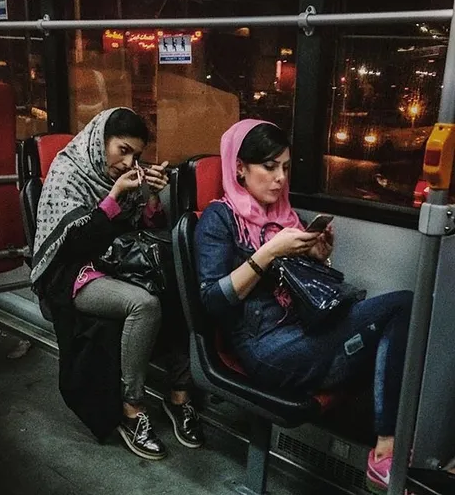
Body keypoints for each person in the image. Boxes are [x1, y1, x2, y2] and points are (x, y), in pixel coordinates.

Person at [194, 119, 413, 494]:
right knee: (400, 308)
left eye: (285, 167)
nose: (280, 178)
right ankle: (385, 451)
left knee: (400, 311)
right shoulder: (219, 219)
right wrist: (266, 254)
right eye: (268, 166)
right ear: (240, 168)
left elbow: (304, 290)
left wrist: (320, 257)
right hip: (264, 347)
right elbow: (212, 302)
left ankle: (391, 448)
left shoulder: (287, 218)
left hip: (304, 330)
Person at [31, 107, 203, 461]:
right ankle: (132, 409)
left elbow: (145, 230)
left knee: (182, 282)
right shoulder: (68, 173)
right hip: (73, 273)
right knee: (145, 304)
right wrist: (112, 199)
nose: (128, 162)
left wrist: (152, 196)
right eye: (122, 150)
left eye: (135, 155)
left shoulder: (126, 179)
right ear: (101, 141)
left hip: (118, 262)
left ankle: (179, 394)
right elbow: (74, 245)